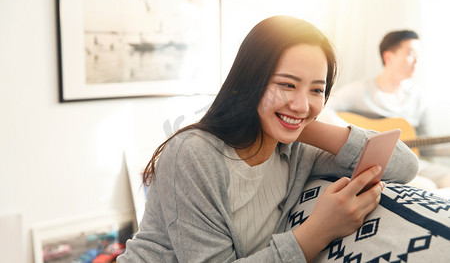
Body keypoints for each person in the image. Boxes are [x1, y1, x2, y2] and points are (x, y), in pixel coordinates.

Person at [117, 16, 418, 262]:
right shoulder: (195, 153)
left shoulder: (296, 149)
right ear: (251, 82)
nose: (302, 102)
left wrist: (304, 123)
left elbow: (404, 166)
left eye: (316, 90)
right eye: (287, 85)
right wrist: (317, 232)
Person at [322, 30, 450, 189]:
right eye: (411, 54)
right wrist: (359, 140)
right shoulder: (360, 91)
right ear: (388, 57)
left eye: (419, 55)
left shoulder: (419, 97)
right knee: (427, 186)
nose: (417, 61)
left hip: (413, 161)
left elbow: (428, 148)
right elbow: (323, 109)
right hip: (376, 166)